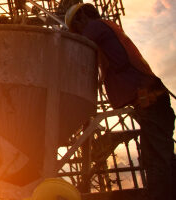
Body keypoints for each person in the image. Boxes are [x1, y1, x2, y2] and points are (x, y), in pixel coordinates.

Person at [66, 3, 176, 199]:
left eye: (77, 27)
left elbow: (75, 48)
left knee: (158, 158)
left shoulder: (94, 27)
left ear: (82, 18)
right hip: (151, 99)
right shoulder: (106, 28)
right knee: (156, 155)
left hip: (150, 98)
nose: (80, 30)